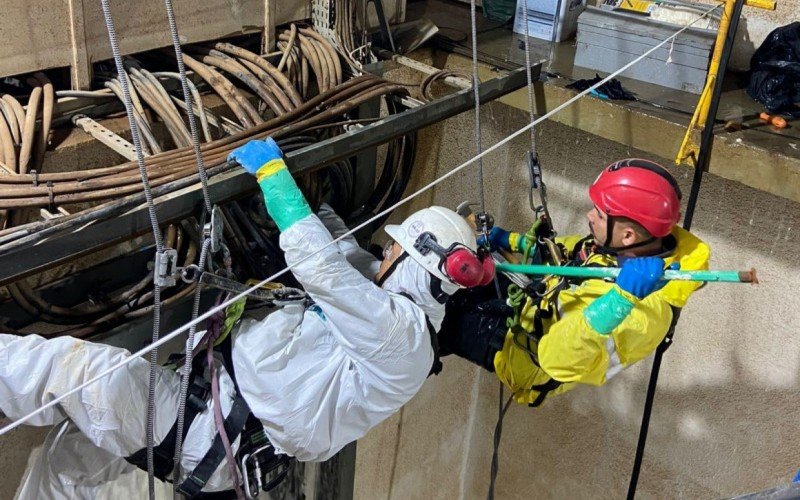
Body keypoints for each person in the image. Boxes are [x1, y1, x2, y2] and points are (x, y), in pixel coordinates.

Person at [0, 137, 494, 498]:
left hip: (212, 429)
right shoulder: (390, 302)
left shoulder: (403, 340)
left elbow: (322, 268)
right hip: (209, 398)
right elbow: (345, 255)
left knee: (77, 374)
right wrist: (314, 199)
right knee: (63, 460)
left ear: (415, 265)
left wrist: (275, 178)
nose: (383, 253)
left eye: (394, 251)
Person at [438, 158, 711, 407]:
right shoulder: (619, 250)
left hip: (520, 355)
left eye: (600, 214)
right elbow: (563, 255)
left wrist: (620, 300)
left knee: (438, 311)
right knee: (454, 271)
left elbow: (556, 359)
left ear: (628, 235)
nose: (590, 217)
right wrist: (507, 239)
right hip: (528, 308)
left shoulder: (643, 318)